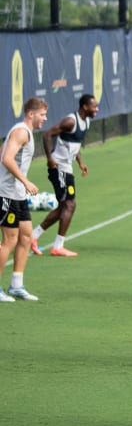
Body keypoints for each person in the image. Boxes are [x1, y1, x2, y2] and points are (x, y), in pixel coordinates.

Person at [32, 93, 97, 257]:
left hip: (67, 169)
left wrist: (80, 162)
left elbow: (74, 145)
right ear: (85, 107)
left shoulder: (86, 122)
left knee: (64, 206)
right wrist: (49, 159)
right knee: (69, 205)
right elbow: (47, 134)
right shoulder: (71, 121)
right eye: (94, 106)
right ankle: (57, 246)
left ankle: (33, 237)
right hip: (58, 168)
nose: (96, 109)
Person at [0, 98, 49, 302]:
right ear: (31, 114)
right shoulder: (21, 131)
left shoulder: (23, 132)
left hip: (18, 194)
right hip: (8, 193)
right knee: (9, 240)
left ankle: (16, 285)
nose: (44, 119)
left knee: (26, 236)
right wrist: (25, 181)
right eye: (42, 115)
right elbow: (7, 158)